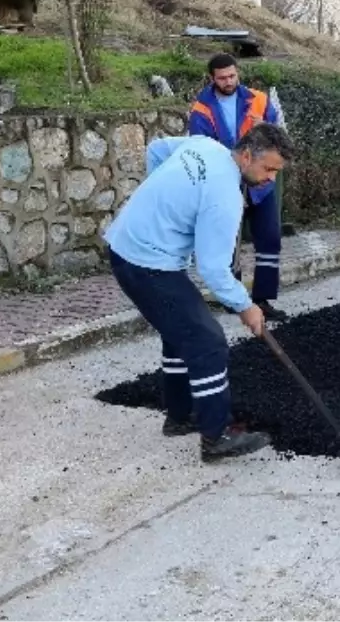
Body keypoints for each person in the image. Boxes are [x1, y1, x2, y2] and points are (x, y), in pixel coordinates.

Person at [103, 124, 295, 463]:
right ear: (247, 155)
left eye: (276, 173)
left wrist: (166, 199)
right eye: (268, 169)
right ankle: (216, 436)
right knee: (208, 341)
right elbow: (213, 270)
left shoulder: (205, 146)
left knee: (180, 332)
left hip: (129, 248)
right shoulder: (226, 197)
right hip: (145, 262)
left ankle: (180, 416)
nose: (270, 179)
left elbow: (157, 149)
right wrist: (246, 307)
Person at [188, 53, 289, 322]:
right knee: (229, 242)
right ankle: (234, 300)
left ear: (238, 73)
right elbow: (201, 148)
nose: (229, 81)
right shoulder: (201, 110)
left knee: (269, 238)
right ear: (212, 78)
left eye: (232, 75)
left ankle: (263, 299)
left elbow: (279, 135)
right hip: (228, 180)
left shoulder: (259, 99)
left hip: (261, 182)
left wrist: (266, 126)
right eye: (222, 78)